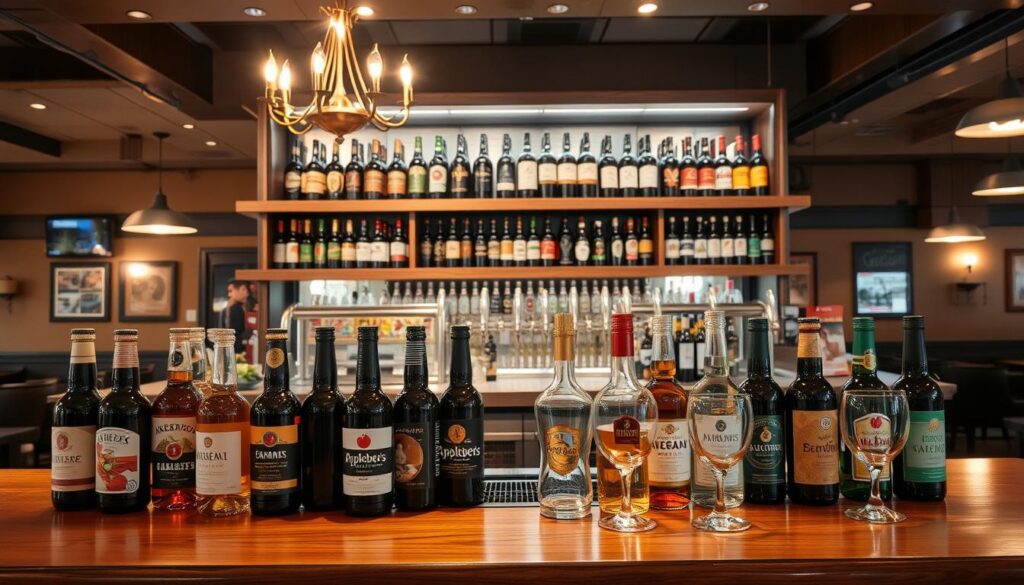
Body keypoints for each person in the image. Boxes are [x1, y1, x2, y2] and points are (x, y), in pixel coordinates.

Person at [221, 279, 254, 353]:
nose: (229, 295)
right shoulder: (235, 309)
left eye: (231, 291)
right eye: (229, 291)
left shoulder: (244, 307)